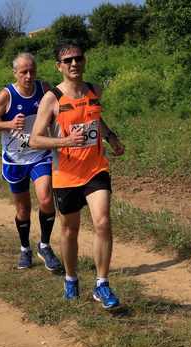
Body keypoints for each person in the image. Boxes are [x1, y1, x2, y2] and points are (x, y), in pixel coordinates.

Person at [30, 42, 126, 310]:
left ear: (84, 61)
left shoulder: (95, 90)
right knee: (69, 230)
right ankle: (71, 279)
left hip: (95, 168)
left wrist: (111, 137)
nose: (74, 64)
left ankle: (102, 284)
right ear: (58, 66)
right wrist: (66, 141)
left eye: (78, 59)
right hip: (66, 175)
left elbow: (95, 120)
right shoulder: (53, 98)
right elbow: (36, 139)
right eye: (68, 60)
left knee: (103, 222)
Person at [0, 53, 63, 272]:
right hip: (15, 159)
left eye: (32, 71)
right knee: (23, 208)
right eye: (24, 72)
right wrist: (8, 123)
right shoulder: (6, 96)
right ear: (15, 73)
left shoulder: (44, 89)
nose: (28, 76)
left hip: (40, 154)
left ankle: (44, 245)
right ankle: (25, 248)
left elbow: (59, 111)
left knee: (46, 199)